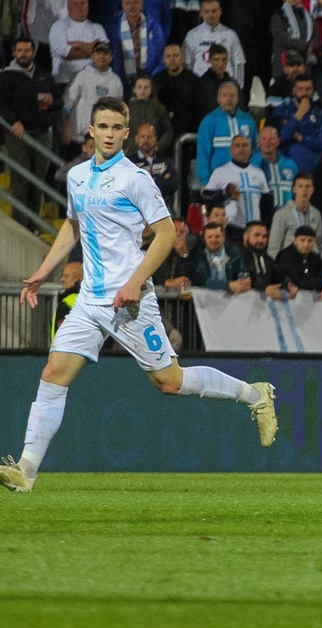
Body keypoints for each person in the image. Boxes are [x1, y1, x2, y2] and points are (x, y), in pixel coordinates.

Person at [0, 97, 278, 494]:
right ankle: (26, 469)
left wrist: (134, 282)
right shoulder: (77, 176)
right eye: (103, 126)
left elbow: (165, 235)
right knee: (53, 373)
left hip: (130, 302)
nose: (109, 134)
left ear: (126, 134)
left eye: (117, 128)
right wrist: (43, 271)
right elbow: (72, 224)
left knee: (170, 381)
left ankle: (255, 395)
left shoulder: (136, 179)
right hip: (90, 301)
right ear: (90, 130)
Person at [0, 37, 61, 225]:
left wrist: (52, 102)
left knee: (38, 183)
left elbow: (59, 102)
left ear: (33, 53)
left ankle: (33, 227)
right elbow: (2, 104)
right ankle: (20, 226)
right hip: (18, 135)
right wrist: (14, 122)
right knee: (20, 181)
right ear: (13, 53)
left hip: (42, 134)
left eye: (27, 50)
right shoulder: (6, 76)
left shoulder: (44, 75)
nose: (23, 54)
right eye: (19, 50)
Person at [202, 134, 273, 242]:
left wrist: (266, 226)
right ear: (231, 150)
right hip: (232, 228)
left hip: (256, 229)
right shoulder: (220, 172)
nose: (241, 149)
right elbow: (206, 198)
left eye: (245, 145)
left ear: (250, 149)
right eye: (237, 146)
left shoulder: (259, 173)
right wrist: (224, 193)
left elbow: (266, 204)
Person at [61, 42, 124, 157]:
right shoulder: (81, 76)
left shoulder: (116, 81)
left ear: (111, 57)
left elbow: (118, 112)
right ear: (92, 55)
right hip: (79, 139)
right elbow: (67, 104)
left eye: (105, 53)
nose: (102, 56)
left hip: (103, 140)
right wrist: (65, 126)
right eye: (98, 52)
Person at [182, 0, 246, 88]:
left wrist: (238, 88)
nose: (211, 15)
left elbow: (239, 63)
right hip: (200, 87)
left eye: (214, 11)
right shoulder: (192, 35)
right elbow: (186, 65)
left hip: (226, 88)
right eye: (207, 11)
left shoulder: (231, 35)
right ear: (201, 13)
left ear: (220, 11)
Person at [49, 0, 109, 87]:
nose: (79, 6)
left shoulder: (97, 28)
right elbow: (66, 54)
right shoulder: (58, 26)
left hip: (93, 83)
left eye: (83, 3)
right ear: (68, 7)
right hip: (65, 82)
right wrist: (92, 50)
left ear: (88, 6)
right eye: (75, 3)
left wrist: (78, 45)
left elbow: (103, 51)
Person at [269, 172, 322, 258]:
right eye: (300, 186)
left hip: (312, 260)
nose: (304, 190)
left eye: (308, 186)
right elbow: (274, 247)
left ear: (312, 190)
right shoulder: (282, 213)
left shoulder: (316, 214)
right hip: (290, 260)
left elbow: (319, 243)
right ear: (294, 189)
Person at [124, 73, 172, 156]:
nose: (142, 91)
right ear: (134, 89)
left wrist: (158, 146)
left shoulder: (159, 108)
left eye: (146, 88)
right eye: (139, 87)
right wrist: (128, 147)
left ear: (151, 90)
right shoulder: (126, 109)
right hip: (131, 154)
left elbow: (167, 130)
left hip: (154, 154)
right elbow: (121, 131)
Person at [276, 225, 322, 293]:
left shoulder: (315, 258)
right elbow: (299, 282)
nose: (306, 244)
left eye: (310, 241)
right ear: (295, 241)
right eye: (302, 240)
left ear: (314, 242)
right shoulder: (285, 257)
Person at [52, 261, 83, 340]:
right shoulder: (91, 299)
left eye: (66, 276)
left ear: (78, 279)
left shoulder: (67, 303)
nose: (62, 279)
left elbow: (61, 335)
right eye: (62, 276)